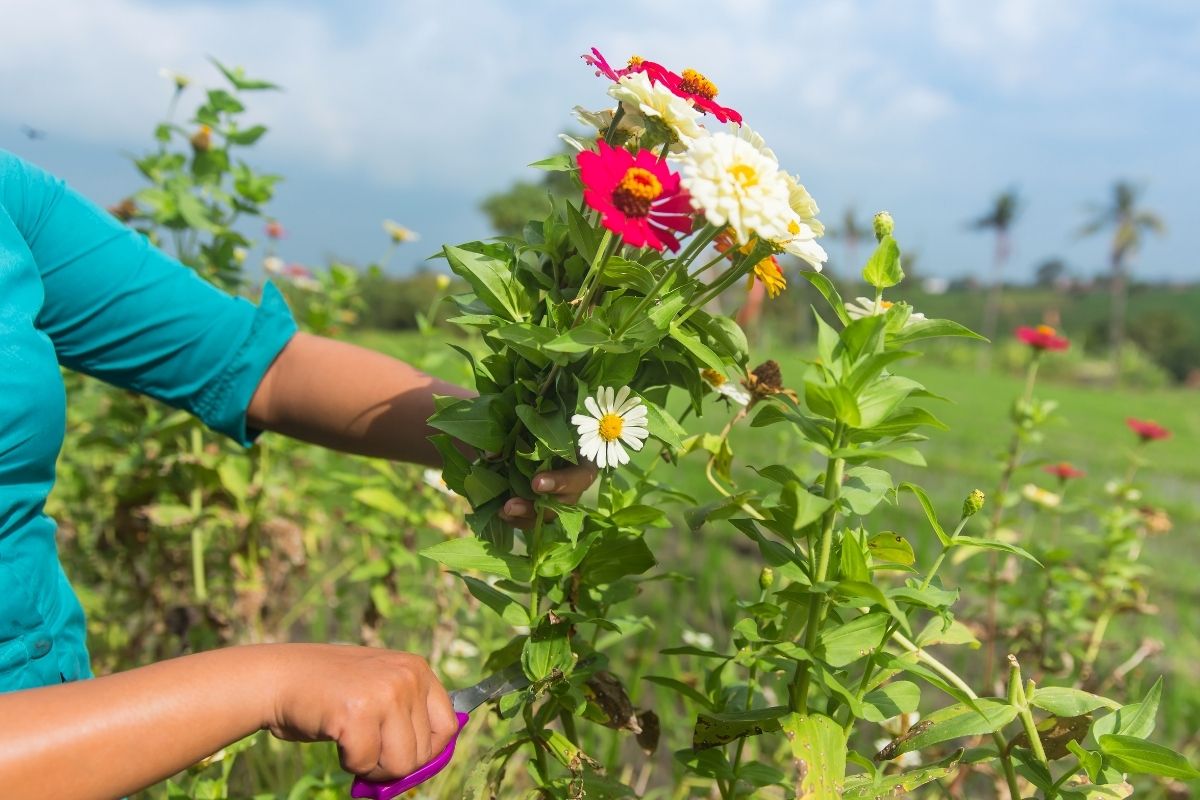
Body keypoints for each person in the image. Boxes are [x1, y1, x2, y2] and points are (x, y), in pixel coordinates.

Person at [0, 149, 596, 799]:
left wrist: (513, 440)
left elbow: (250, 362)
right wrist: (269, 683)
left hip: (83, 733)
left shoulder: (10, 196)